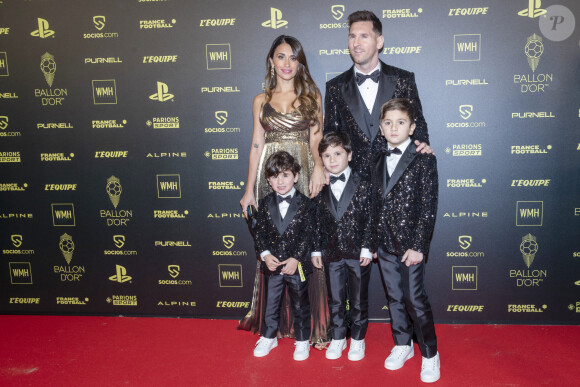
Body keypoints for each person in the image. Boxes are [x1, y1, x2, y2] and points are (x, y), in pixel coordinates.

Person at [238, 35, 328, 348]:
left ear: (301, 62)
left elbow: (317, 139)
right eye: (281, 57)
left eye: (293, 57)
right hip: (270, 176)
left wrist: (319, 167)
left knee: (304, 243)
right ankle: (271, 327)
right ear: (272, 61)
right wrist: (249, 188)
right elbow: (255, 145)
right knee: (273, 245)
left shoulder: (312, 94)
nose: (287, 64)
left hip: (302, 172)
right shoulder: (260, 100)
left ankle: (311, 326)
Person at [371, 98, 439, 383]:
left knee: (415, 299)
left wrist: (419, 246)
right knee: (395, 298)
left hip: (410, 245)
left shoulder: (425, 158)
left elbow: (428, 206)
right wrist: (371, 242)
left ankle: (430, 354)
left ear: (412, 128)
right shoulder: (375, 158)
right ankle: (402, 345)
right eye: (388, 123)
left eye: (401, 122)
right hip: (384, 244)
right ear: (381, 128)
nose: (394, 128)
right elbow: (371, 203)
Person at [324, 10, 431, 180]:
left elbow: (417, 121)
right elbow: (331, 133)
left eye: (364, 36)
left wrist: (422, 144)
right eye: (352, 37)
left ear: (379, 41)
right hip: (354, 183)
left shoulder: (403, 79)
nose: (356, 43)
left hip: (397, 179)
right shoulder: (335, 86)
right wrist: (327, 164)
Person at [312, 132, 373, 361]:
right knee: (335, 299)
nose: (333, 159)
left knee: (358, 300)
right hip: (331, 253)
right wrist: (316, 249)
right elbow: (316, 221)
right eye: (327, 156)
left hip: (358, 253)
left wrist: (368, 246)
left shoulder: (363, 182)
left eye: (338, 153)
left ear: (350, 154)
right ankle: (338, 337)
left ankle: (357, 339)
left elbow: (371, 217)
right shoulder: (320, 186)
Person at [251, 151, 316, 361]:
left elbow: (308, 234)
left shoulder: (307, 204)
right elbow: (259, 233)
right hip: (273, 265)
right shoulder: (264, 203)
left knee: (300, 304)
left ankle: (303, 340)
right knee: (270, 303)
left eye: (285, 175)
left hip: (296, 266)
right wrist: (265, 254)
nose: (280, 181)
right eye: (275, 176)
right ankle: (269, 336)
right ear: (268, 180)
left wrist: (296, 258)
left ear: (296, 176)